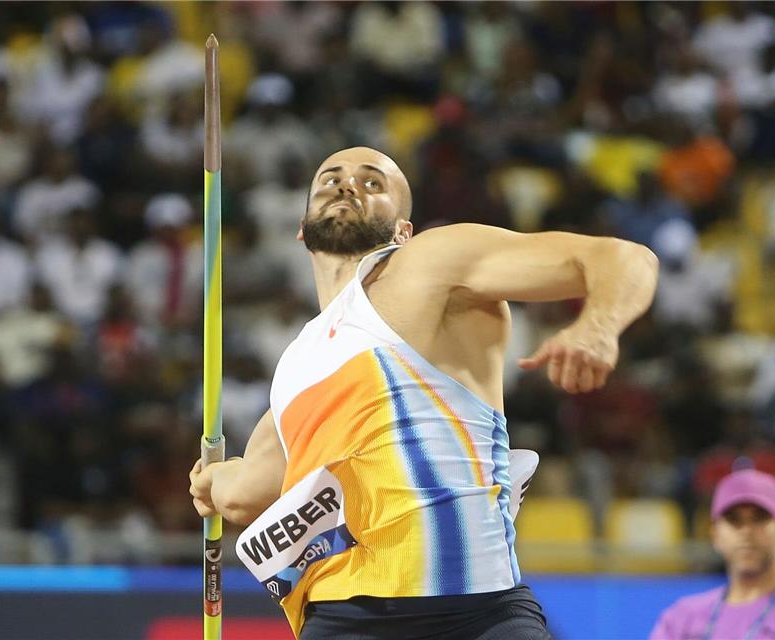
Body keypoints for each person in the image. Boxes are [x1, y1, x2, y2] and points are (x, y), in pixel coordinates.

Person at [190, 146, 659, 639]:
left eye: (373, 183)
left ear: (403, 230)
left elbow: (624, 257)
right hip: (345, 620)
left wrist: (598, 326)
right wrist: (212, 482)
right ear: (303, 228)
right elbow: (246, 495)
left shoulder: (427, 266)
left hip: (477, 610)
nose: (348, 185)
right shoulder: (296, 366)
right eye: (330, 180)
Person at [650, 468, 775, 640]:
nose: (746, 531)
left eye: (759, 519)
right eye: (734, 520)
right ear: (715, 535)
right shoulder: (681, 618)